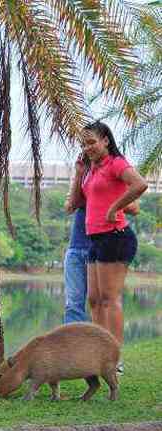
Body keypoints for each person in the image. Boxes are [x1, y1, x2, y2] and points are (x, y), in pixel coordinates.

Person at [67, 121, 147, 346]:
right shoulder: (91, 170)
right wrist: (79, 173)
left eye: (92, 142)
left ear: (106, 141)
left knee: (109, 300)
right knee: (94, 300)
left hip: (116, 236)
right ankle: (99, 354)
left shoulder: (116, 163)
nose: (87, 147)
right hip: (95, 239)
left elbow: (139, 184)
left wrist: (114, 208)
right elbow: (74, 204)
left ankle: (114, 357)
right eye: (84, 144)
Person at [63, 186, 138, 325]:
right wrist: (80, 178)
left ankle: (103, 342)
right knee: (73, 303)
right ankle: (74, 344)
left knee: (104, 300)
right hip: (76, 247)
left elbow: (134, 208)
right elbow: (69, 207)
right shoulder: (83, 178)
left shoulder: (113, 175)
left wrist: (102, 197)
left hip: (103, 246)